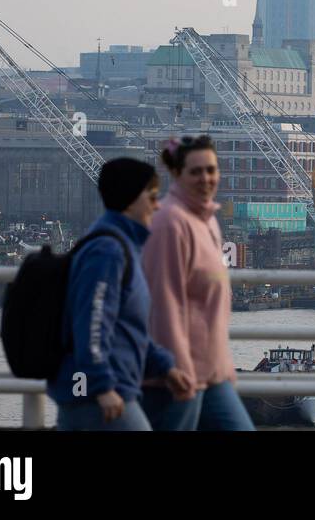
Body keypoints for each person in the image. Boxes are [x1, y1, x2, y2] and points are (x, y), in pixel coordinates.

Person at [47, 158, 195, 430]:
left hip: (105, 389)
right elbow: (92, 323)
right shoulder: (108, 251)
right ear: (130, 199)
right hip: (96, 396)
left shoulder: (122, 246)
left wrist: (165, 367)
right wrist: (102, 387)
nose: (157, 204)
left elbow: (126, 326)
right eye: (151, 196)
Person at [142, 134, 254, 430]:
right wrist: (177, 368)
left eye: (211, 170)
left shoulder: (208, 221)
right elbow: (164, 304)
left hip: (212, 373)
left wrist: (224, 366)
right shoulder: (170, 223)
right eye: (196, 171)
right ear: (177, 174)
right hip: (179, 375)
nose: (205, 178)